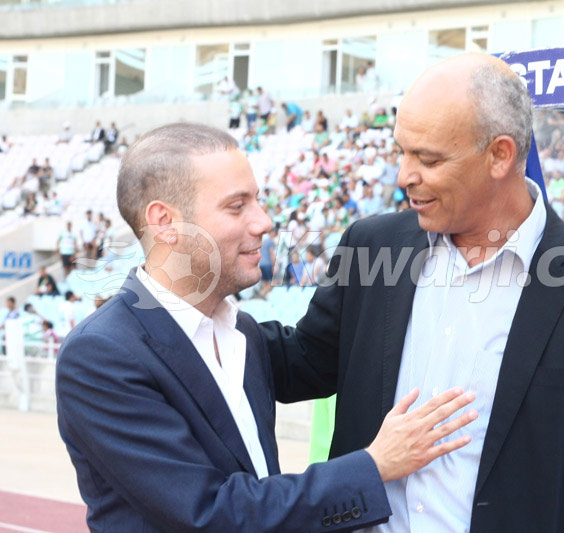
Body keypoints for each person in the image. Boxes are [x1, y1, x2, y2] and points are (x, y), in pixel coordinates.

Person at [260, 53, 564, 532]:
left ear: (500, 155)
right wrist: (178, 311)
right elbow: (301, 360)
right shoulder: (371, 246)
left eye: (428, 159)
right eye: (401, 152)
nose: (404, 175)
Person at [55, 123, 477, 532]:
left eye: (257, 200)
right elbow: (213, 514)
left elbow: (324, 354)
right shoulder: (101, 356)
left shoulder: (243, 333)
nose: (264, 222)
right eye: (237, 206)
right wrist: (375, 464)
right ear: (165, 222)